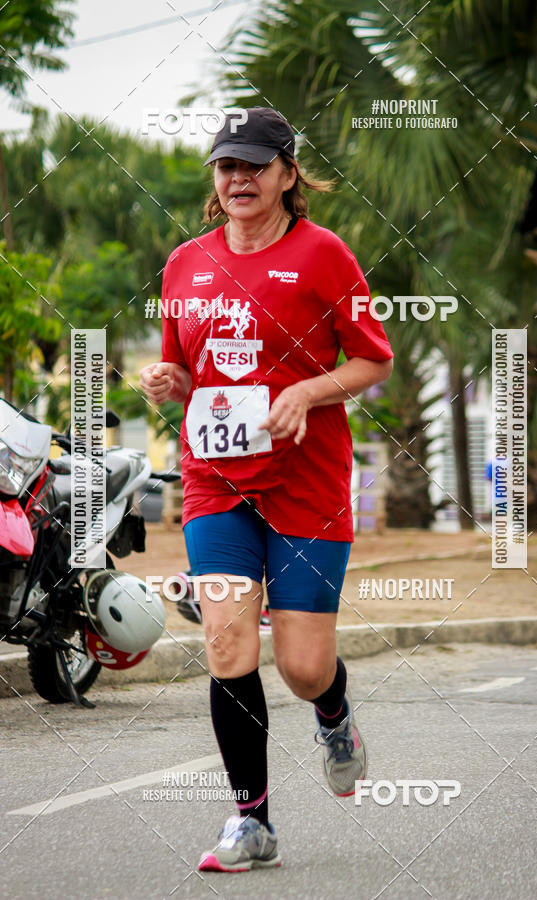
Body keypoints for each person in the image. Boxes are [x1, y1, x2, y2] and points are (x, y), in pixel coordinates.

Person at [140, 107, 393, 873]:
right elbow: (187, 371)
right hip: (216, 480)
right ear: (215, 180)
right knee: (225, 642)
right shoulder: (184, 264)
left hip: (306, 484)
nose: (239, 178)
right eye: (226, 166)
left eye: (255, 165)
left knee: (303, 666)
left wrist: (309, 393)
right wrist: (168, 382)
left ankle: (334, 712)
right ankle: (252, 822)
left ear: (288, 174)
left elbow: (372, 360)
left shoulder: (324, 255)